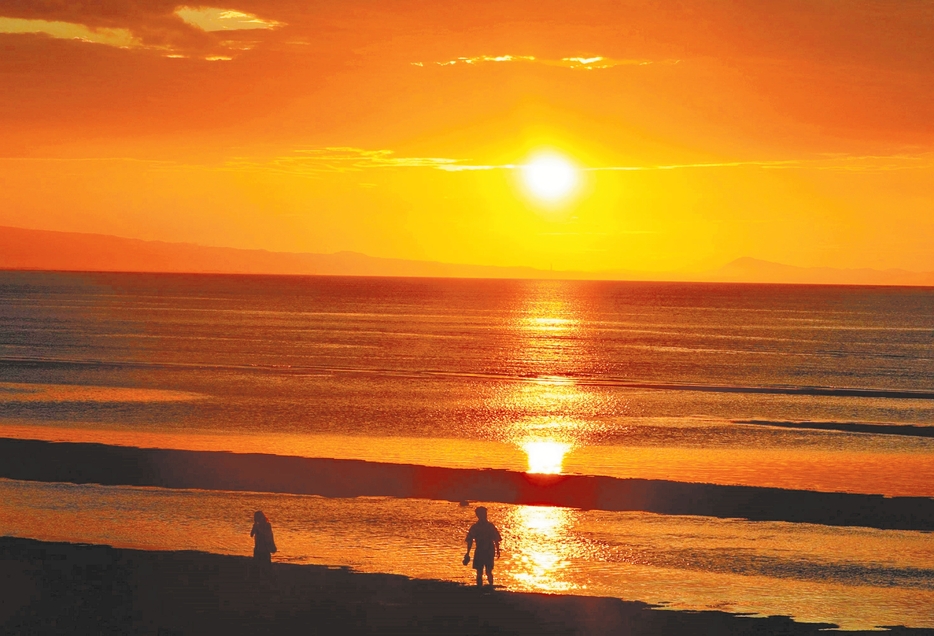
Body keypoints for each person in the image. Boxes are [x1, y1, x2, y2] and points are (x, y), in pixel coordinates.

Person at [464, 506, 501, 588]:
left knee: (486, 571)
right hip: (483, 550)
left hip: (487, 550)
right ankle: (484, 587)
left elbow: (496, 539)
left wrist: (497, 550)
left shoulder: (485, 526)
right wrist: (467, 553)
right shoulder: (479, 527)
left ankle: (487, 586)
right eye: (483, 514)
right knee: (481, 571)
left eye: (485, 514)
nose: (485, 515)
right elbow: (470, 540)